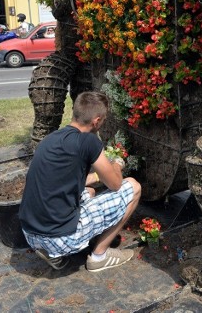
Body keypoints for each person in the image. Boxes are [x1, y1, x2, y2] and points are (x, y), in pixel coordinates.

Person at [19, 91, 141, 271]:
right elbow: (115, 184)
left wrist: (97, 176)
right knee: (133, 187)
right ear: (96, 120)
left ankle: (53, 253)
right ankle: (100, 256)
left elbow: (69, 179)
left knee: (90, 192)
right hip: (59, 238)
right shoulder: (88, 141)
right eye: (104, 119)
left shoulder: (51, 139)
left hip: (30, 234)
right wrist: (117, 164)